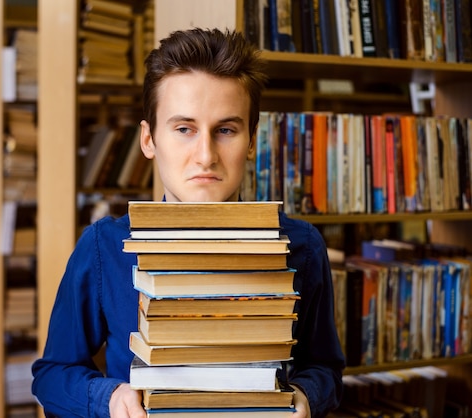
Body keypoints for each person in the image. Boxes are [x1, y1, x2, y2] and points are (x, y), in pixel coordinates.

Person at [32, 28, 345, 418]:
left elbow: (326, 368)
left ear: (251, 141)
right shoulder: (103, 247)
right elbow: (51, 374)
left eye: (226, 130)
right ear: (149, 140)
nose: (205, 156)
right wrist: (110, 397)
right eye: (184, 129)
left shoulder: (302, 246)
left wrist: (305, 395)